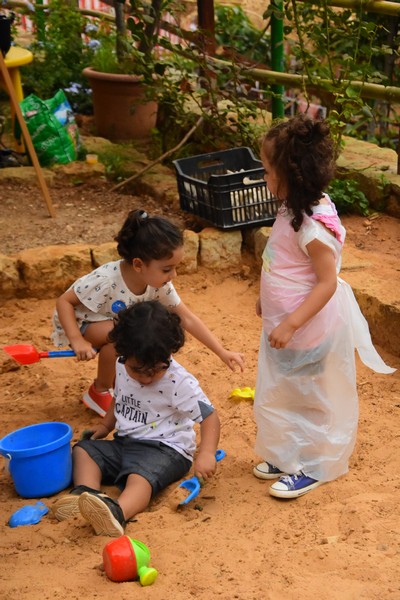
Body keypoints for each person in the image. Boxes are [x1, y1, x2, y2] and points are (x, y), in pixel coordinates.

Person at [252, 114, 395, 499]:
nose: (263, 179)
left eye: (267, 172)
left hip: (308, 330)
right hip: (287, 327)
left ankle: (315, 464)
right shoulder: (292, 209)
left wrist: (291, 323)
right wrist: (265, 299)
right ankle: (286, 453)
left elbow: (326, 282)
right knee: (285, 389)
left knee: (312, 397)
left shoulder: (314, 227)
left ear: (292, 176)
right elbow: (280, 261)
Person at [51, 300, 221, 537]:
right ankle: (85, 496)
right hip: (125, 443)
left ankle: (117, 513)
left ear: (169, 353)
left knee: (139, 478)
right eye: (137, 370)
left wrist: (206, 453)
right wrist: (105, 424)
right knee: (84, 450)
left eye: (155, 370)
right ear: (122, 353)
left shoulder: (178, 382)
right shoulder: (121, 365)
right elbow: (119, 397)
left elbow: (209, 416)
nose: (146, 378)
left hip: (166, 450)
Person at [52, 209, 244, 416]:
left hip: (116, 323)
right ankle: (99, 390)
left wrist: (222, 351)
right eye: (167, 269)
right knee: (126, 337)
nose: (174, 275)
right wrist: (76, 340)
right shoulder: (106, 280)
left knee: (145, 331)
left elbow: (186, 318)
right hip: (82, 322)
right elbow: (64, 302)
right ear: (138, 264)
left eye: (175, 268)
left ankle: (122, 384)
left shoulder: (159, 284)